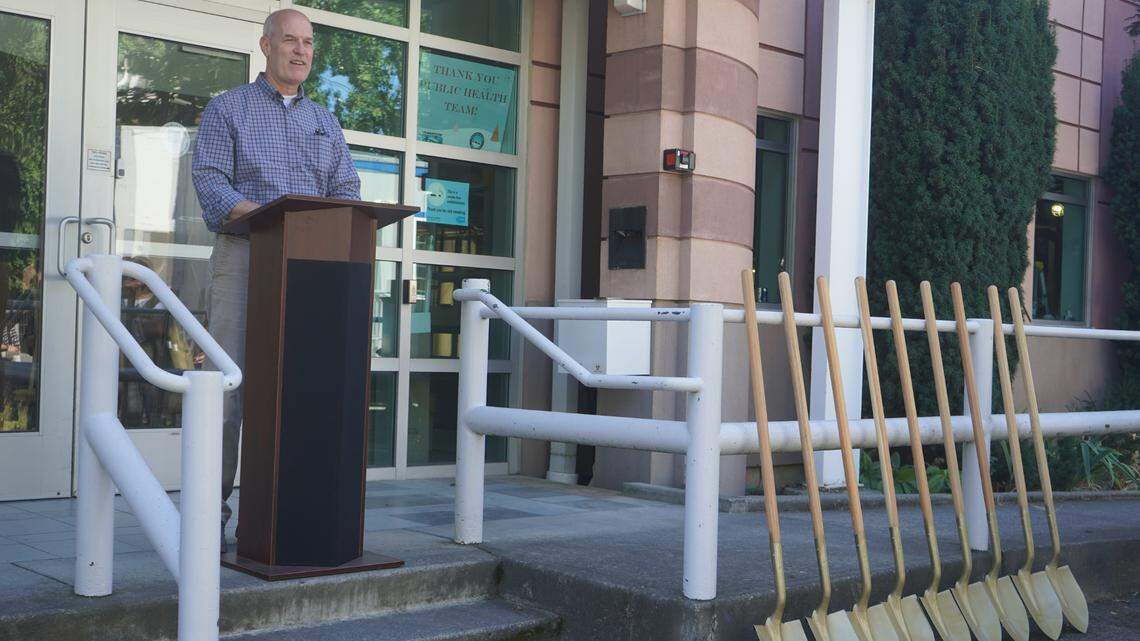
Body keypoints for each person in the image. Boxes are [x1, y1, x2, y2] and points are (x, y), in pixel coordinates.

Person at [192, 8, 361, 553]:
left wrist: (326, 228)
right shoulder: (228, 109)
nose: (301, 50)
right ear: (265, 46)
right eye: (289, 40)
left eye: (308, 42)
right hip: (246, 257)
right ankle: (206, 516)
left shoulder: (325, 121)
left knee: (298, 390)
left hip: (312, 271)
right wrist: (267, 220)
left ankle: (281, 516)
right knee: (229, 391)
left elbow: (348, 189)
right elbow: (211, 182)